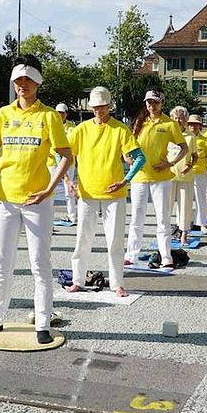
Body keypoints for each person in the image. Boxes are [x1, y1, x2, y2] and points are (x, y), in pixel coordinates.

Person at [0, 55, 72, 345]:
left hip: (37, 201)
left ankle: (42, 322)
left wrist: (50, 189)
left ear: (37, 82)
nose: (22, 85)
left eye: (27, 80)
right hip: (5, 199)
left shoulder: (49, 116)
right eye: (18, 80)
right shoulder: (3, 115)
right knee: (2, 262)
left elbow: (66, 155)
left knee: (40, 263)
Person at [65, 86, 145, 297]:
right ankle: (77, 280)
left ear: (109, 106)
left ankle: (117, 283)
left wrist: (125, 180)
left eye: (103, 107)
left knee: (115, 241)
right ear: (91, 107)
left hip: (114, 195)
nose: (99, 111)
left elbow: (139, 158)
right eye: (95, 107)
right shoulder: (80, 130)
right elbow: (63, 156)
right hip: (87, 194)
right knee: (82, 240)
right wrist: (67, 180)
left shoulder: (120, 129)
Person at [124, 90, 187, 267]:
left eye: (155, 102)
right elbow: (127, 144)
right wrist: (127, 157)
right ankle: (131, 255)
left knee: (162, 219)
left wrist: (170, 163)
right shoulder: (139, 122)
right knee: (136, 218)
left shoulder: (169, 123)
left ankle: (166, 256)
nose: (152, 106)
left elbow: (184, 148)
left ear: (162, 103)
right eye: (149, 102)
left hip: (161, 177)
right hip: (140, 176)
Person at [168, 106, 198, 248]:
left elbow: (195, 156)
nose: (178, 120)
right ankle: (166, 235)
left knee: (185, 207)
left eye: (180, 117)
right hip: (168, 176)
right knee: (166, 207)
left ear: (186, 120)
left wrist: (190, 166)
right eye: (175, 117)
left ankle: (184, 235)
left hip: (185, 177)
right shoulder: (168, 135)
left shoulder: (191, 137)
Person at [186, 114, 207, 235]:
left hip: (200, 173)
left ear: (200, 126)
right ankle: (185, 224)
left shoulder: (204, 140)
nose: (193, 126)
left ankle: (202, 224)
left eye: (195, 124)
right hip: (185, 173)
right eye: (191, 124)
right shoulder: (183, 138)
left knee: (201, 199)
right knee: (186, 200)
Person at [48, 103, 78, 225]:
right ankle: (48, 218)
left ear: (66, 114)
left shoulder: (72, 129)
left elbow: (71, 147)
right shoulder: (51, 126)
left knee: (68, 190)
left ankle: (72, 217)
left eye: (62, 113)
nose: (59, 116)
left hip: (68, 162)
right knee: (50, 190)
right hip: (52, 161)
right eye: (57, 113)